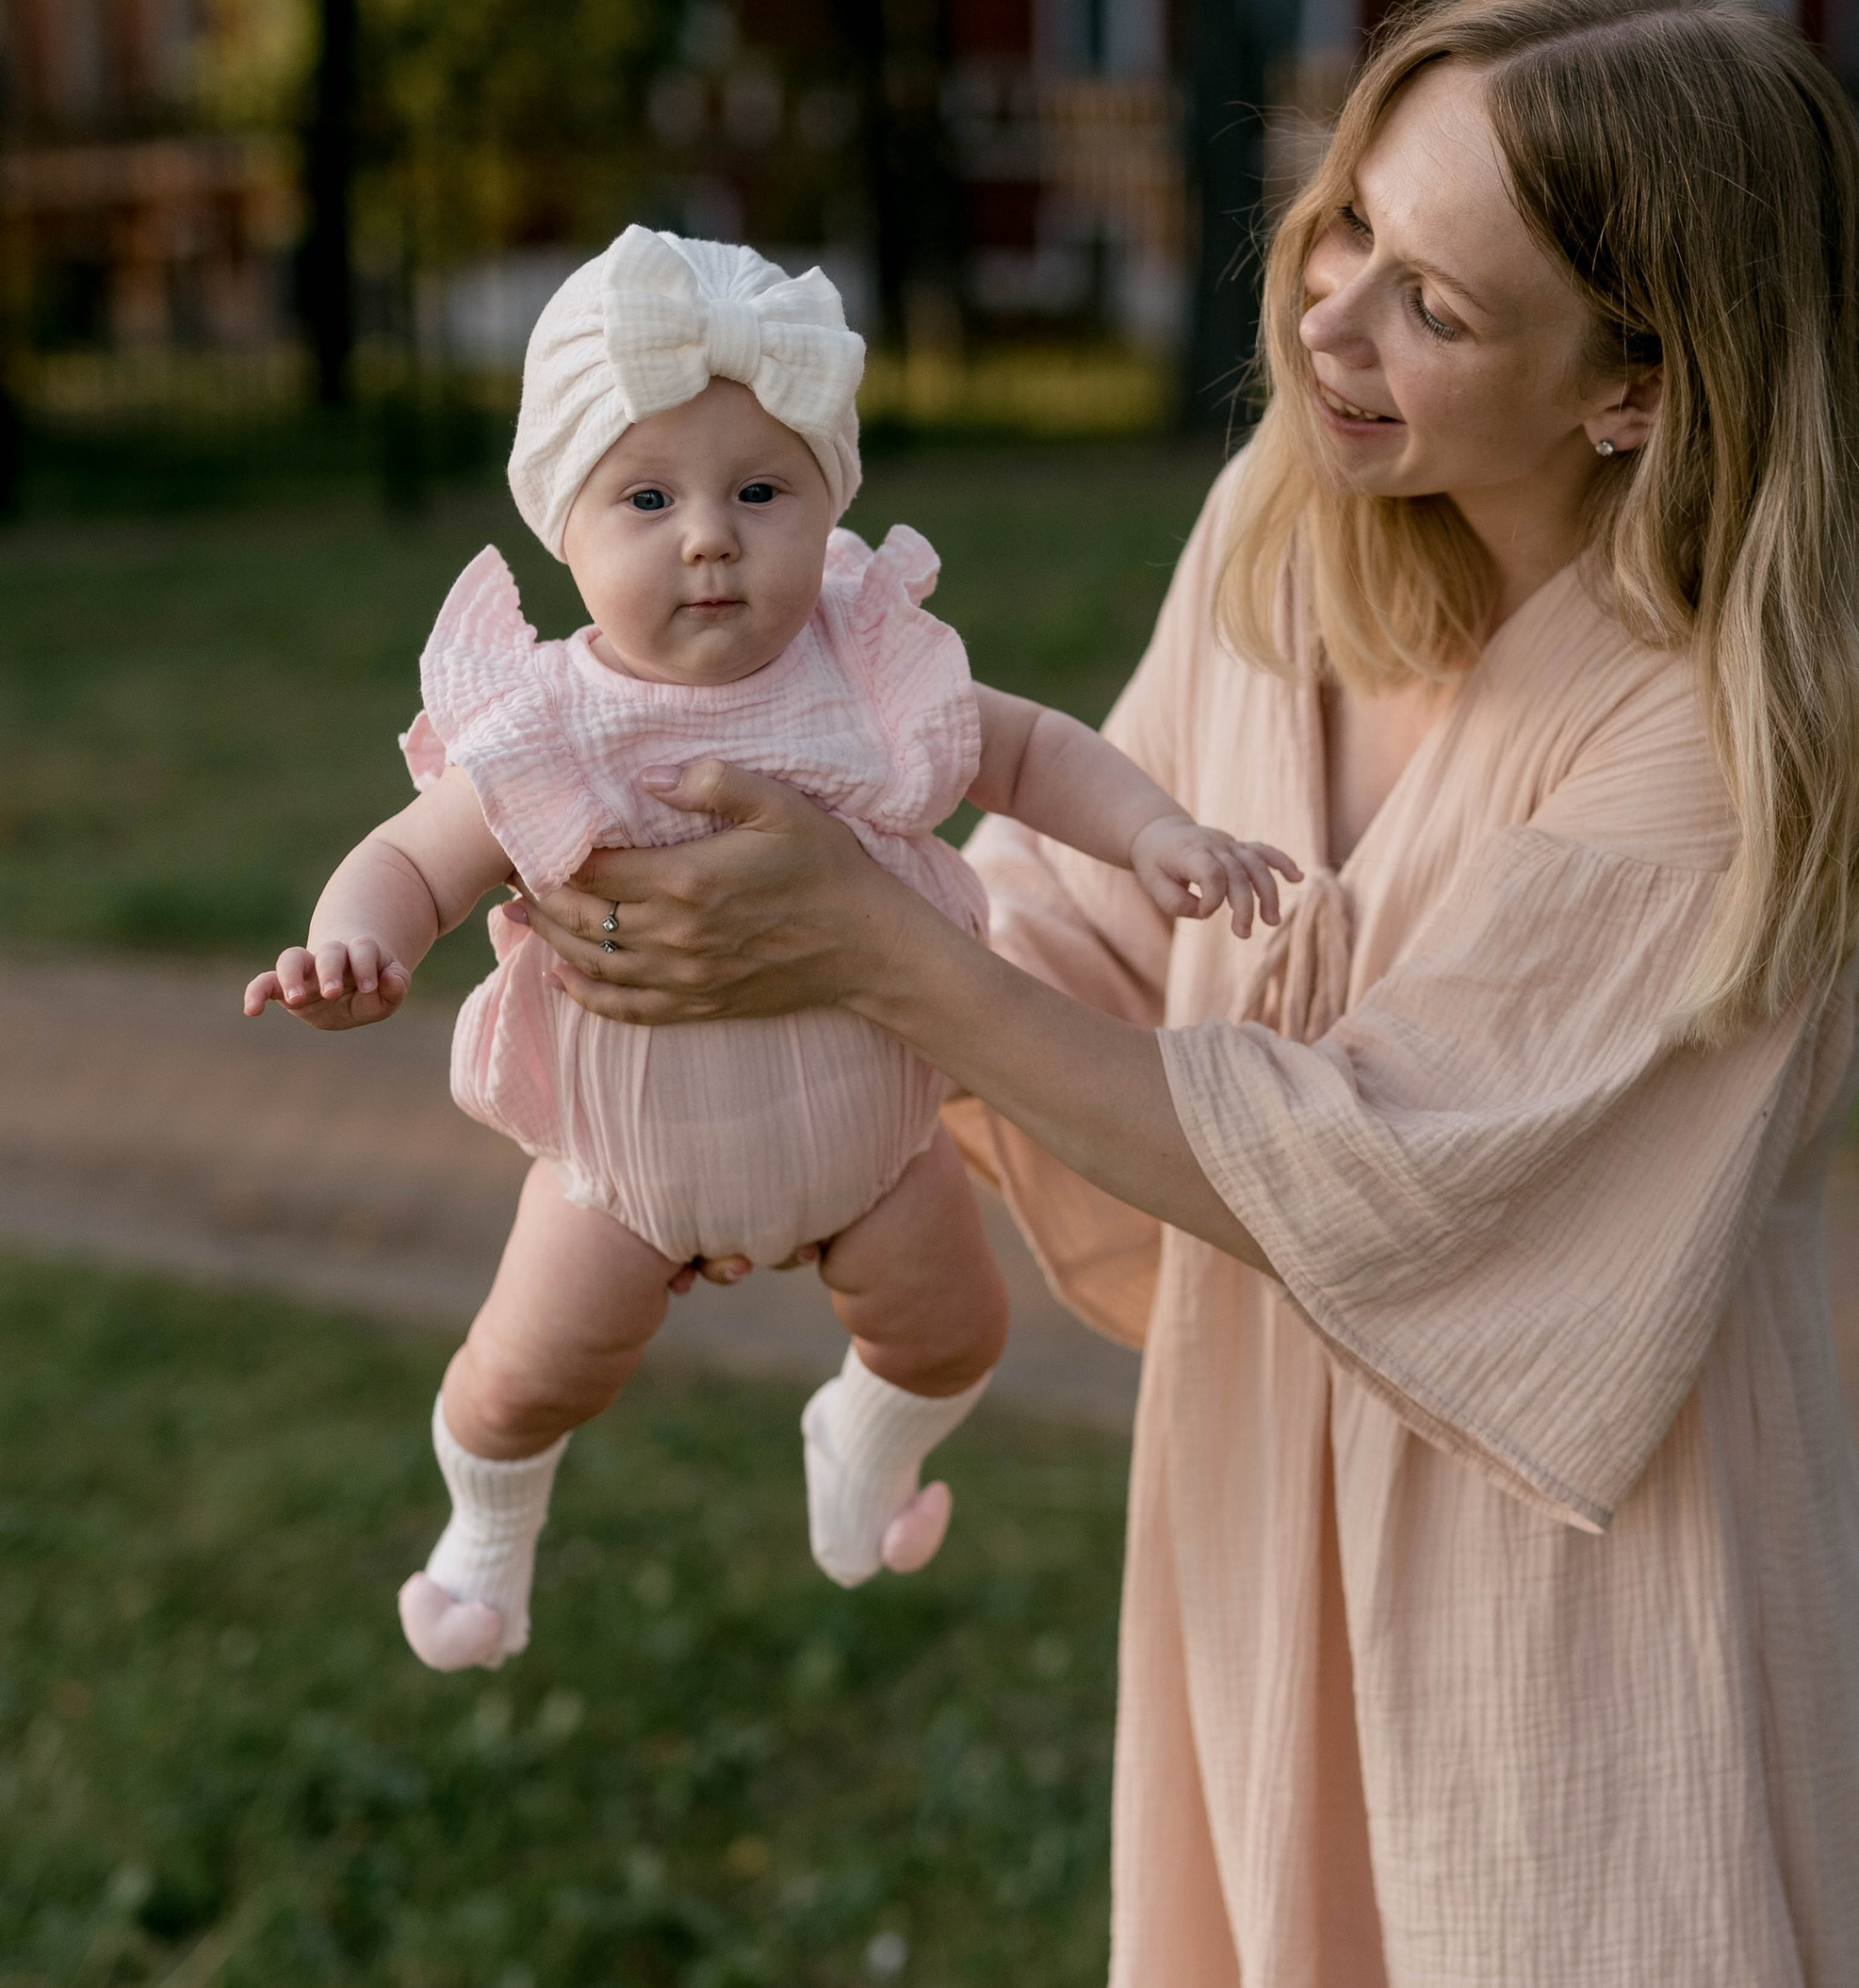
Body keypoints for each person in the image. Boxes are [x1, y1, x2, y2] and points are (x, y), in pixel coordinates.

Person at [507, 0, 1859, 1988]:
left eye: (1436, 299)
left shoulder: (1722, 752)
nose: (1331, 320)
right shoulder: (1294, 544)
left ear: (1641, 386)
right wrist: (771, 1064)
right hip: (1292, 1562)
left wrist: (896, 981)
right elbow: (1067, 951)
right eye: (1338, 231)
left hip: (1585, 1632)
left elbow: (1378, 1175)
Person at [241, 224, 1295, 1666]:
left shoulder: (865, 673)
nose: (710, 536)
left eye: (759, 490)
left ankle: (865, 1442)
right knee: (530, 1373)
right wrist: (355, 947)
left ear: (826, 500)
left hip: (880, 1154)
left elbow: (1034, 752)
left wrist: (1157, 831)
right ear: (563, 524)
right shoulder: (553, 720)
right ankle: (487, 1532)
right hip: (626, 1176)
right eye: (648, 497)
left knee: (955, 1332)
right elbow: (412, 859)